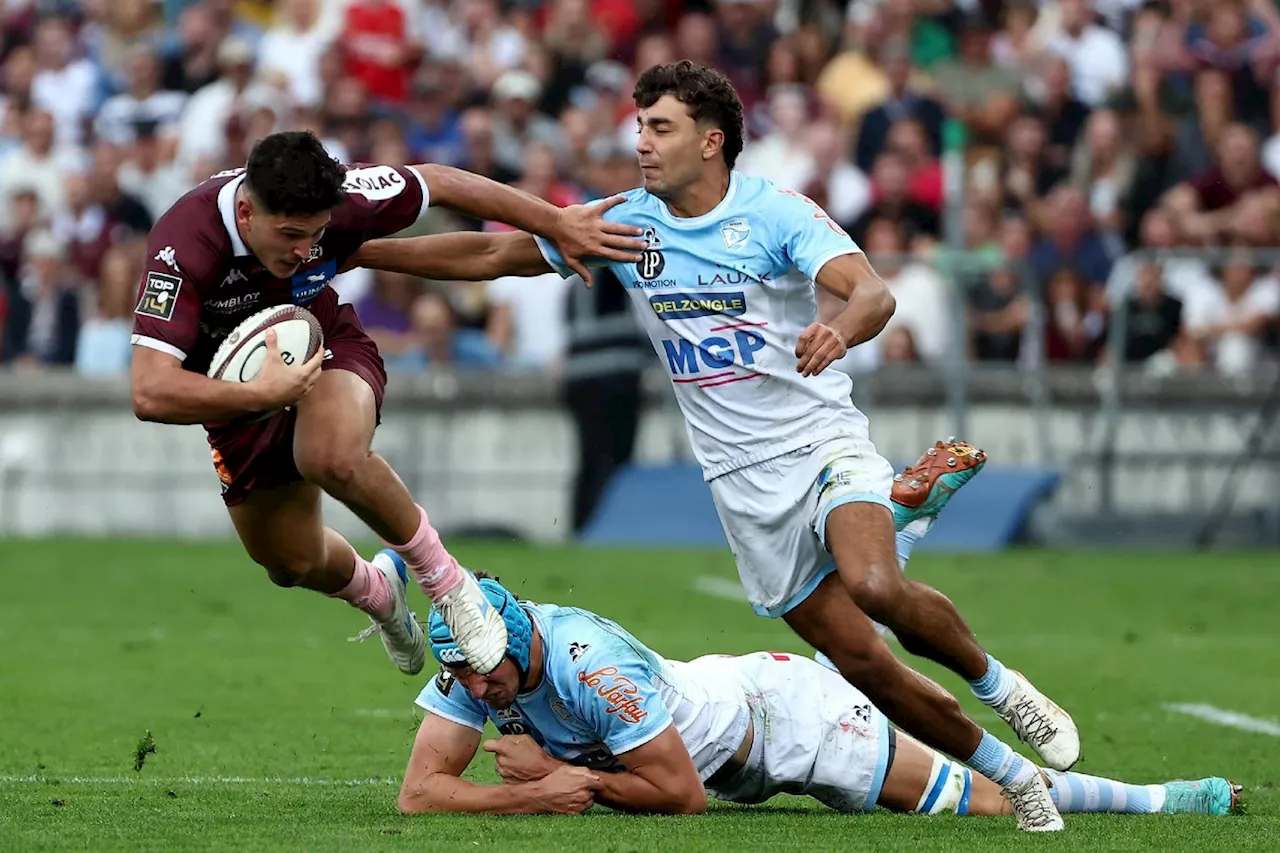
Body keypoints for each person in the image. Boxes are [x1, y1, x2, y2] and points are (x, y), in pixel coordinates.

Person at [352, 62, 1075, 830]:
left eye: (659, 127)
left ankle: (1003, 687)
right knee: (866, 665)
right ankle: (1014, 776)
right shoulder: (629, 223)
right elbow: (497, 255)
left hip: (820, 442)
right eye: (639, 127)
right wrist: (361, 253)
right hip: (741, 488)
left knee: (872, 584)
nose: (641, 143)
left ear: (711, 141)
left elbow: (873, 291)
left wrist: (840, 327)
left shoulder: (775, 213)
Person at [129, 130, 646, 678]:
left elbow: (442, 182)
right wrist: (257, 395)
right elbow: (149, 390)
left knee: (331, 456)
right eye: (289, 234)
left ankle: (451, 588)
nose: (305, 250)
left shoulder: (348, 196)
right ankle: (380, 593)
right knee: (290, 562)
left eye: (316, 234)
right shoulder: (183, 245)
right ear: (245, 210)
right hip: (237, 392)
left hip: (323, 342)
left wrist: (557, 222)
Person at [397, 571, 1241, 820]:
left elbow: (681, 796)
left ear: (519, 635)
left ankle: (1170, 800)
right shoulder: (477, 650)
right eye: (465, 672)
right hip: (733, 717)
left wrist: (557, 784)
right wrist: (526, 794)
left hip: (784, 721)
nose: (477, 686)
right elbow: (419, 793)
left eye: (485, 669)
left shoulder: (592, 666)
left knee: (985, 804)